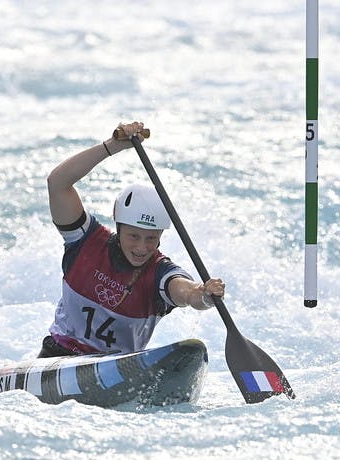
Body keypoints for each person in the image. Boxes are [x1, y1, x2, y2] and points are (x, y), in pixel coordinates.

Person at [38, 121, 225, 358]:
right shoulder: (86, 242)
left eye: (151, 238)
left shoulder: (160, 273)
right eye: (134, 236)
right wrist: (111, 147)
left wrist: (204, 294)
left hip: (119, 369)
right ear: (119, 225)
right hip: (57, 356)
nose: (142, 247)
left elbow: (187, 293)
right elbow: (57, 183)